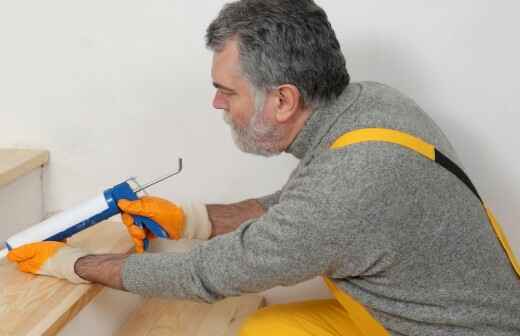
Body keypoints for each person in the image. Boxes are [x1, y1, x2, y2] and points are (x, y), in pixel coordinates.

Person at [7, 1, 520, 335]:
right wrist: (192, 218)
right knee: (266, 331)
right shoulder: (370, 105)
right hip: (434, 307)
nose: (215, 104)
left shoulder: (350, 185)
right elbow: (305, 207)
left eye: (226, 90)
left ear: (282, 99)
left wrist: (70, 264)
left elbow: (205, 274)